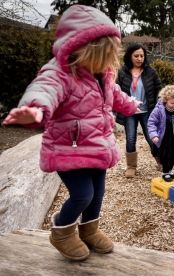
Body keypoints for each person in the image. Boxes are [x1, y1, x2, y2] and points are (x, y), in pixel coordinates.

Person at [1, 5, 141, 261]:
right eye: (102, 55)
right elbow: (44, 89)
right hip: (69, 148)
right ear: (81, 49)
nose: (108, 61)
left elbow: (115, 95)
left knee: (98, 193)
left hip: (98, 144)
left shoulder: (104, 73)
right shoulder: (60, 72)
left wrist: (130, 105)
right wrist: (34, 109)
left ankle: (89, 230)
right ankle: (62, 231)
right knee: (83, 194)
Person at [116, 43, 162, 178]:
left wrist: (160, 101)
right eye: (136, 55)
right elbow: (117, 92)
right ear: (130, 56)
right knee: (130, 139)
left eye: (142, 55)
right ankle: (131, 166)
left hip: (147, 111)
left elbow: (159, 88)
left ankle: (160, 161)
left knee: (151, 137)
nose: (139, 58)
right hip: (129, 112)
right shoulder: (123, 72)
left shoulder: (150, 72)